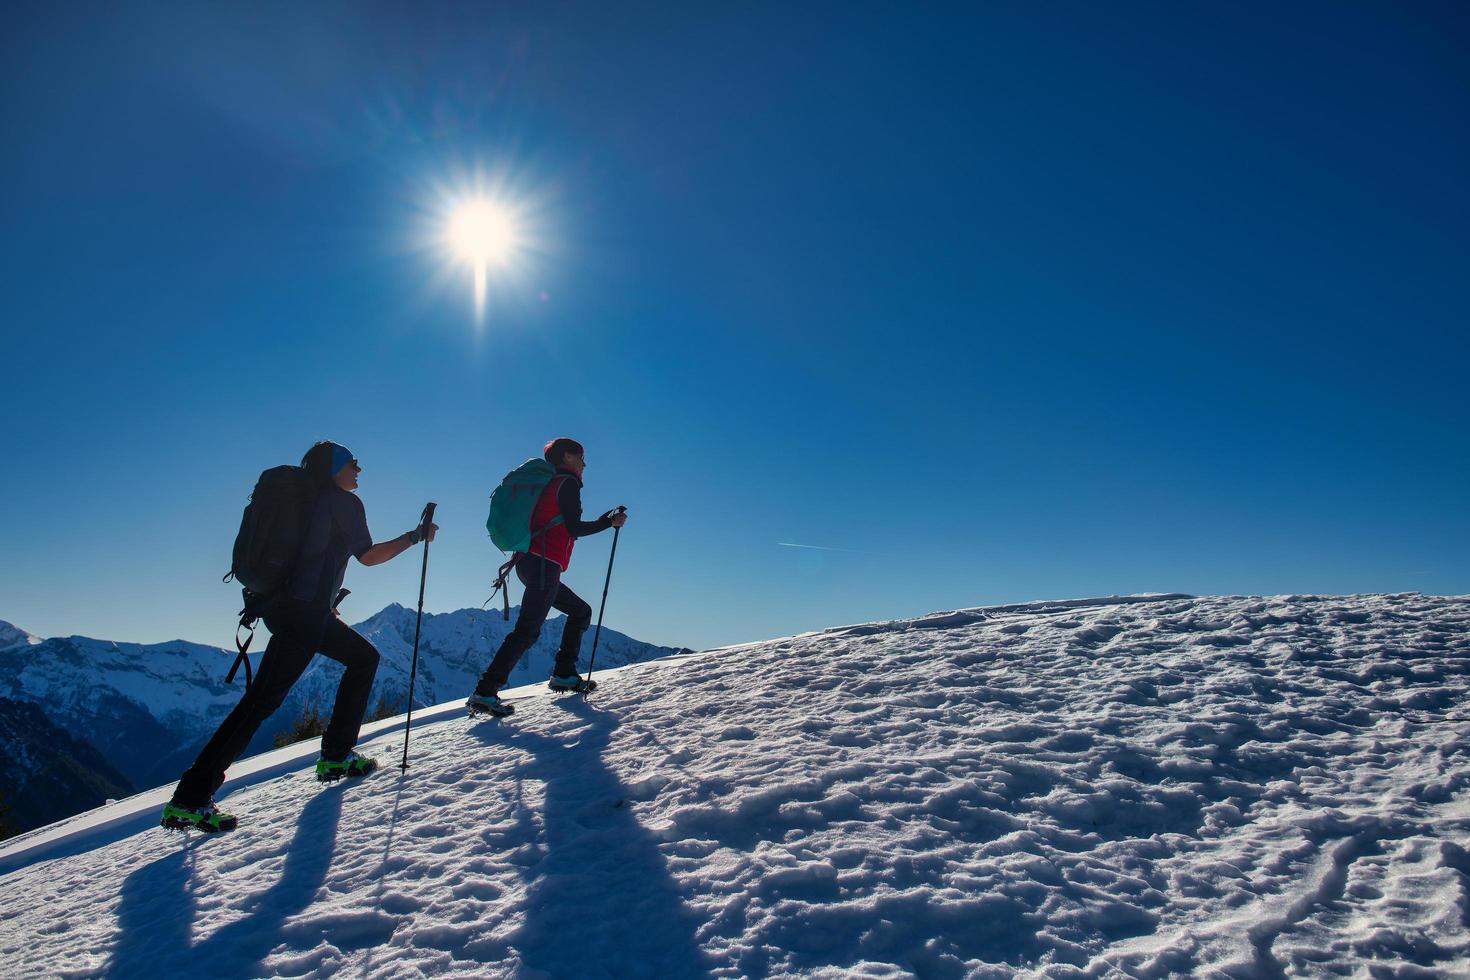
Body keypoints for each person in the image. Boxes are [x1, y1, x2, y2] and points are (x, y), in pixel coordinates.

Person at [160, 441, 438, 832]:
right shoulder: (342, 502)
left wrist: (321, 601)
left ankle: (337, 754)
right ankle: (190, 798)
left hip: (289, 608)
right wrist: (415, 536)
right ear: (335, 467)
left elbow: (309, 558)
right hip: (304, 615)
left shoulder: (308, 498)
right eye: (353, 463)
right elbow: (369, 556)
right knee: (260, 704)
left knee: (361, 659)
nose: (359, 469)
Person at [467, 437, 627, 716]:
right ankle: (484, 691)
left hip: (531, 562)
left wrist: (603, 521)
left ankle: (564, 673)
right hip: (543, 564)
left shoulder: (552, 483)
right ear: (567, 457)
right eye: (581, 457)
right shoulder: (567, 484)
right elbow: (574, 528)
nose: (585, 463)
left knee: (580, 611)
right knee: (527, 630)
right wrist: (607, 523)